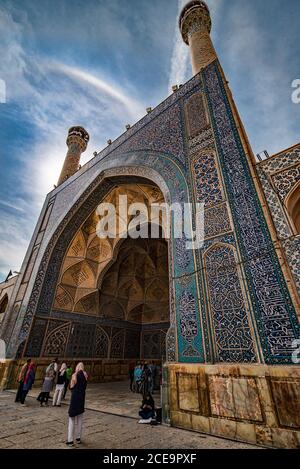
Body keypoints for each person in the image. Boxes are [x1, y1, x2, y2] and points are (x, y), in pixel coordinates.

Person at [66, 362, 88, 447]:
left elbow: (71, 387)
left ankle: (70, 440)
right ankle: (78, 438)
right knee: (80, 419)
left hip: (75, 399)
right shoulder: (85, 376)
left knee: (72, 419)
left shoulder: (75, 375)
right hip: (82, 399)